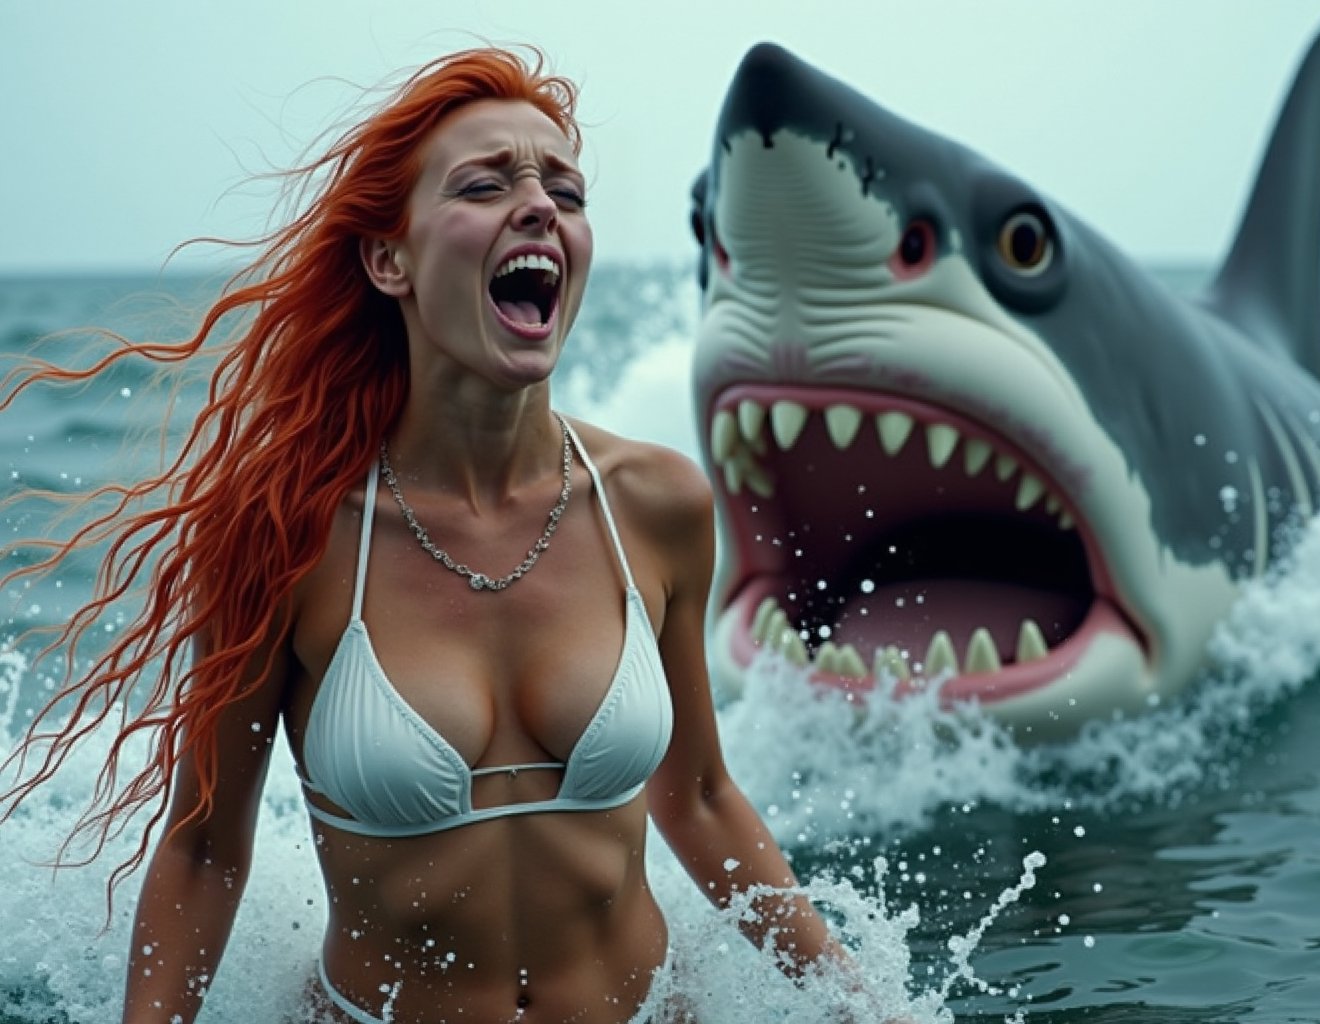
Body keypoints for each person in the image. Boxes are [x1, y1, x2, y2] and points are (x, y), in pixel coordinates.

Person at [0, 46, 847, 1023]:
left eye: (564, 191)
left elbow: (698, 797)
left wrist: (863, 1004)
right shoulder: (287, 534)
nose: (540, 206)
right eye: (486, 184)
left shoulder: (656, 504)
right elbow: (204, 847)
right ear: (388, 258)